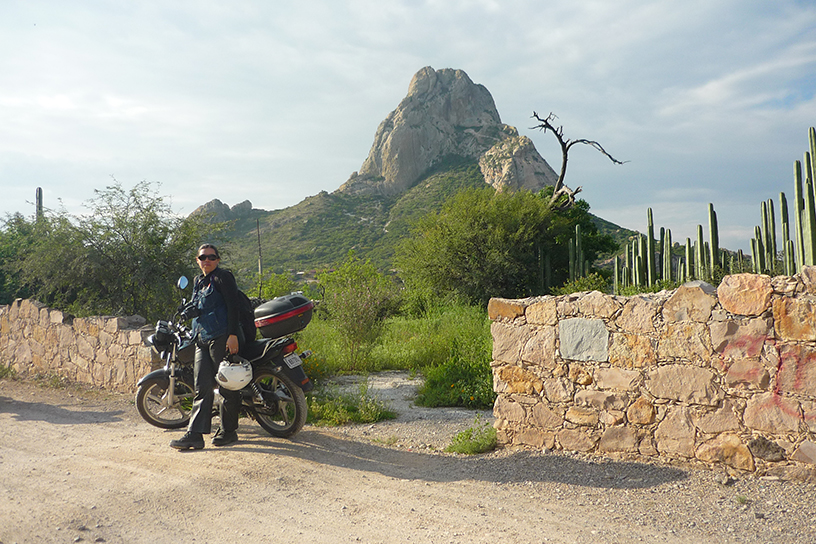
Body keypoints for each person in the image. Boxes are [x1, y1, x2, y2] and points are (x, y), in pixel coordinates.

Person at [170, 243, 243, 450]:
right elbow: (200, 305)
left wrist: (232, 335)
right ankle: (194, 435)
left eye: (211, 257)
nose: (207, 260)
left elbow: (233, 306)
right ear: (198, 261)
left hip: (221, 337)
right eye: (203, 258)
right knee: (202, 387)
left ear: (218, 260)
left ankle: (229, 431)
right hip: (201, 339)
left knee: (226, 385)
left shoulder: (223, 277)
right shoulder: (198, 281)